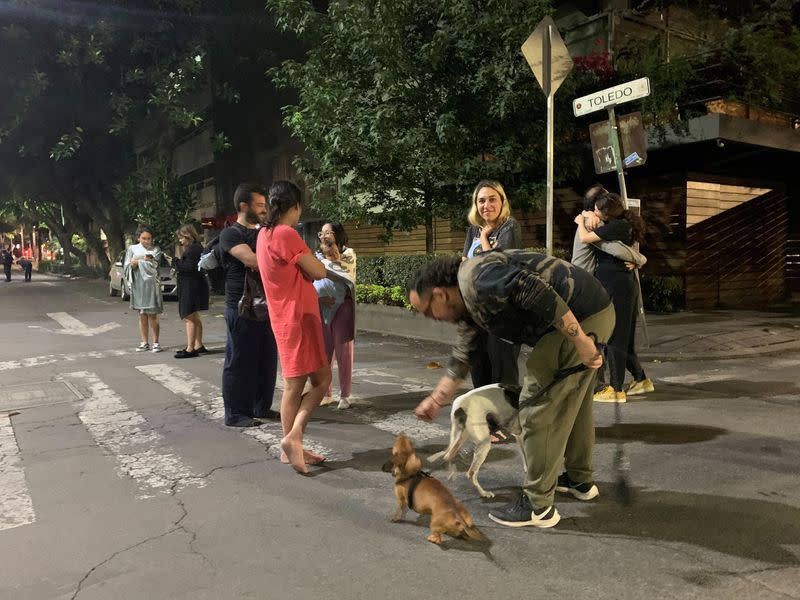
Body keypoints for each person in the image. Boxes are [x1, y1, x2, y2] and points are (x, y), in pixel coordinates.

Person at [410, 251, 615, 529]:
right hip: (592, 313)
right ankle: (580, 480)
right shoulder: (469, 298)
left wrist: (580, 340)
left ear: (440, 295)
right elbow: (464, 353)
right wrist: (436, 400)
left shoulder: (477, 280)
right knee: (573, 405)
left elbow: (533, 289)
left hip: (577, 322)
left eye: (427, 311)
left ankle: (538, 507)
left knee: (534, 410)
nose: (432, 318)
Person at [257, 180, 331, 474]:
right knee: (321, 382)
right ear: (296, 205)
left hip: (283, 317)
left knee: (294, 385)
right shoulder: (287, 234)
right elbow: (319, 270)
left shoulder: (264, 235)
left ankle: (291, 446)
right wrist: (310, 263)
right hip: (300, 317)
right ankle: (293, 437)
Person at [575, 191, 654, 402]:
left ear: (607, 213)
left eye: (597, 209)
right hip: (621, 285)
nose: (594, 212)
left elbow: (591, 240)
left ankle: (616, 389)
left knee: (615, 339)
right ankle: (641, 380)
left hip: (617, 287)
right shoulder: (617, 225)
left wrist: (580, 221)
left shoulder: (613, 227)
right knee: (624, 340)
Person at [461, 180, 522, 441]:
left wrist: (485, 239)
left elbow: (497, 266)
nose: (486, 205)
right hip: (477, 308)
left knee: (502, 366)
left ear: (502, 201)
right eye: (481, 200)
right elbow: (466, 263)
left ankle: (506, 423)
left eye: (492, 199)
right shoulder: (472, 229)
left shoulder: (509, 227)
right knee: (479, 364)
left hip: (502, 311)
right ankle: (488, 422)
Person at [219, 183, 279, 427]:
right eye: (260, 205)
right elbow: (253, 261)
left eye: (266, 205)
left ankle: (260, 406)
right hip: (241, 306)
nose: (265, 209)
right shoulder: (231, 234)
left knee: (267, 358)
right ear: (244, 206)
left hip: (267, 305)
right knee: (240, 359)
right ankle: (235, 412)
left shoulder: (265, 231)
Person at [316, 222, 356, 410]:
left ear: (338, 235)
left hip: (343, 307)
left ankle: (345, 395)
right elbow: (309, 279)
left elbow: (345, 273)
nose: (324, 236)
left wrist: (330, 259)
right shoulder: (315, 257)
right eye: (322, 233)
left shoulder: (349, 255)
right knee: (324, 353)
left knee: (344, 352)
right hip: (321, 307)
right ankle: (326, 392)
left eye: (328, 232)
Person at [172, 224, 210, 358]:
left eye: (181, 238)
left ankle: (190, 348)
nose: (180, 241)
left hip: (191, 286)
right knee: (194, 316)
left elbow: (188, 267)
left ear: (188, 236)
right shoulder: (196, 247)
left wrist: (175, 262)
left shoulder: (193, 249)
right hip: (194, 285)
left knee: (188, 316)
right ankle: (198, 345)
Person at [124, 225, 164, 352]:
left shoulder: (156, 249)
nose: (147, 241)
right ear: (138, 238)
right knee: (142, 314)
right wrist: (137, 262)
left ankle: (156, 342)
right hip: (138, 284)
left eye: (149, 238)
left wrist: (137, 261)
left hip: (152, 285)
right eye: (144, 238)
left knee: (153, 314)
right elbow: (127, 265)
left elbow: (154, 264)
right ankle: (144, 342)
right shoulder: (132, 249)